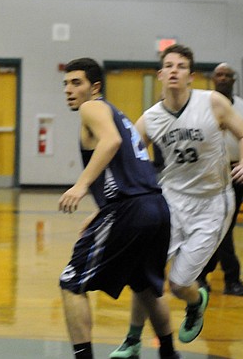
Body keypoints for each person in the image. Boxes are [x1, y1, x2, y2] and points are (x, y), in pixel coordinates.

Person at [111, 44, 243, 357]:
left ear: (190, 75)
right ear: (160, 74)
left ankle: (195, 301)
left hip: (213, 201)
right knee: (145, 272)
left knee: (177, 284)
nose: (174, 70)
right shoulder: (150, 118)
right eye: (169, 65)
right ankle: (133, 339)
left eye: (181, 66)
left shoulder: (212, 102)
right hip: (172, 199)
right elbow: (129, 158)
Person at [59, 58, 178, 359]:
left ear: (95, 87)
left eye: (76, 83)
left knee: (71, 282)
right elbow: (129, 167)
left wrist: (81, 185)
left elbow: (110, 142)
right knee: (146, 288)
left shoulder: (92, 107)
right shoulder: (120, 115)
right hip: (155, 207)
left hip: (130, 210)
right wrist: (101, 210)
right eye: (66, 84)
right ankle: (169, 354)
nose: (69, 90)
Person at [197, 63, 243, 296]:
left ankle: (206, 276)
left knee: (226, 226)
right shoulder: (202, 105)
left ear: (234, 79)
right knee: (213, 226)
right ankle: (226, 279)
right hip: (208, 174)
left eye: (227, 75)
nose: (223, 78)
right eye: (219, 74)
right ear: (213, 79)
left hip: (235, 173)